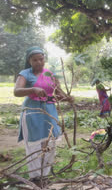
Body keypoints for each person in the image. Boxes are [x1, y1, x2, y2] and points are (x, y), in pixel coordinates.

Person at [14, 46, 73, 180]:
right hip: (32, 112)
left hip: (49, 111)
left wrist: (68, 98)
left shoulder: (49, 74)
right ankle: (35, 176)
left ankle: (44, 175)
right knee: (34, 144)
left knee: (49, 143)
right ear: (30, 61)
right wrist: (33, 89)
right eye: (35, 60)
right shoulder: (25, 74)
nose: (39, 62)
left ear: (44, 59)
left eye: (41, 59)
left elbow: (59, 93)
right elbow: (16, 91)